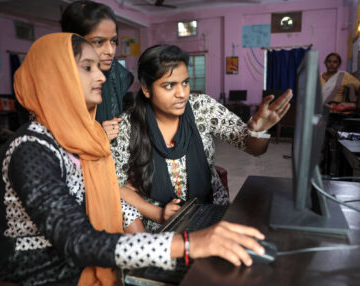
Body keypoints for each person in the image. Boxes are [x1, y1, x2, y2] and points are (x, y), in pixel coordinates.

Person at [0, 33, 267, 285]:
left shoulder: (83, 139)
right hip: (43, 273)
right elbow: (77, 240)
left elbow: (110, 195)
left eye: (99, 67)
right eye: (87, 67)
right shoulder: (31, 147)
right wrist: (186, 243)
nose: (101, 76)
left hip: (86, 259)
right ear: (54, 76)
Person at [111, 44, 293, 231]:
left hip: (212, 209)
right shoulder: (128, 126)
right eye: (169, 85)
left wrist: (258, 131)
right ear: (147, 90)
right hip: (160, 220)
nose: (182, 94)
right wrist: (158, 213)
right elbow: (116, 185)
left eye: (185, 82)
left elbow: (254, 149)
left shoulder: (202, 108)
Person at [61, 0, 134, 141]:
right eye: (98, 42)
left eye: (113, 41)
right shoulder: (56, 80)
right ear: (73, 41)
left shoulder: (114, 72)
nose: (110, 51)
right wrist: (98, 136)